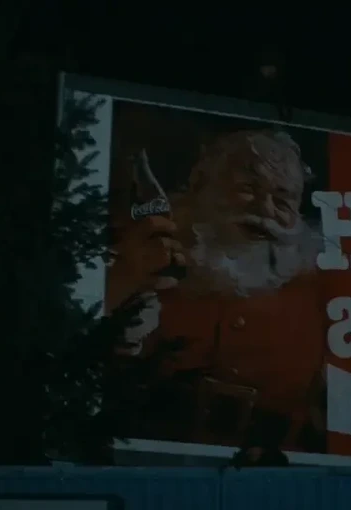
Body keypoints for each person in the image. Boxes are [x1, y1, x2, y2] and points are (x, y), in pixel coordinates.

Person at [107, 129, 327, 451]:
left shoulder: (319, 289)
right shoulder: (139, 253)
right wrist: (122, 283)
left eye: (282, 200)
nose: (265, 208)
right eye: (247, 188)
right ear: (201, 185)